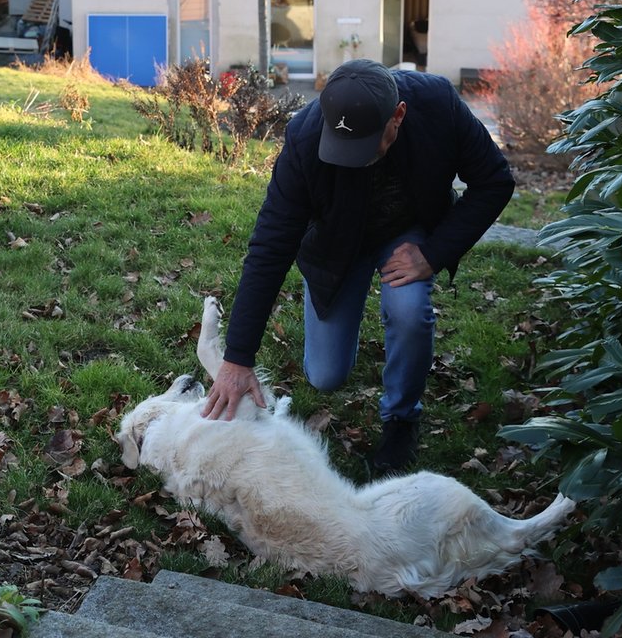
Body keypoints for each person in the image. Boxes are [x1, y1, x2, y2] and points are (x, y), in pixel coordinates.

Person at [202, 58, 515, 474]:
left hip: (407, 235)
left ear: (398, 116)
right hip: (336, 247)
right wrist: (238, 358)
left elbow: (495, 180)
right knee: (326, 375)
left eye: (365, 146)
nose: (352, 158)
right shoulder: (304, 137)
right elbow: (270, 245)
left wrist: (433, 253)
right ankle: (336, 319)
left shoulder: (437, 103)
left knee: (409, 312)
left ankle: (401, 419)